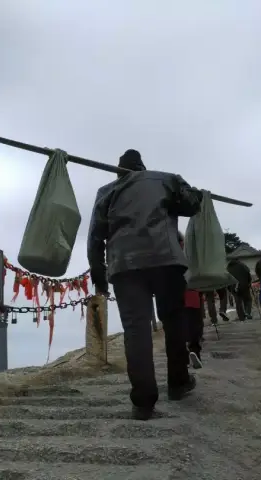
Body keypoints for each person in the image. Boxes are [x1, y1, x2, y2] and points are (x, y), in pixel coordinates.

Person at [87, 148, 202, 421]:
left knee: (135, 331)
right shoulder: (166, 180)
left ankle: (143, 402)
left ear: (119, 171)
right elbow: (192, 205)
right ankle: (178, 383)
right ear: (142, 167)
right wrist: (195, 192)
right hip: (165, 260)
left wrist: (99, 276)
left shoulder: (107, 192)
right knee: (173, 321)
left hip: (124, 265)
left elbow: (95, 237)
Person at [178, 232, 204, 369]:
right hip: (192, 293)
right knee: (195, 326)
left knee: (178, 327)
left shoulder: (167, 254)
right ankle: (195, 352)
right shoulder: (191, 253)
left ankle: (183, 357)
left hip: (175, 296)